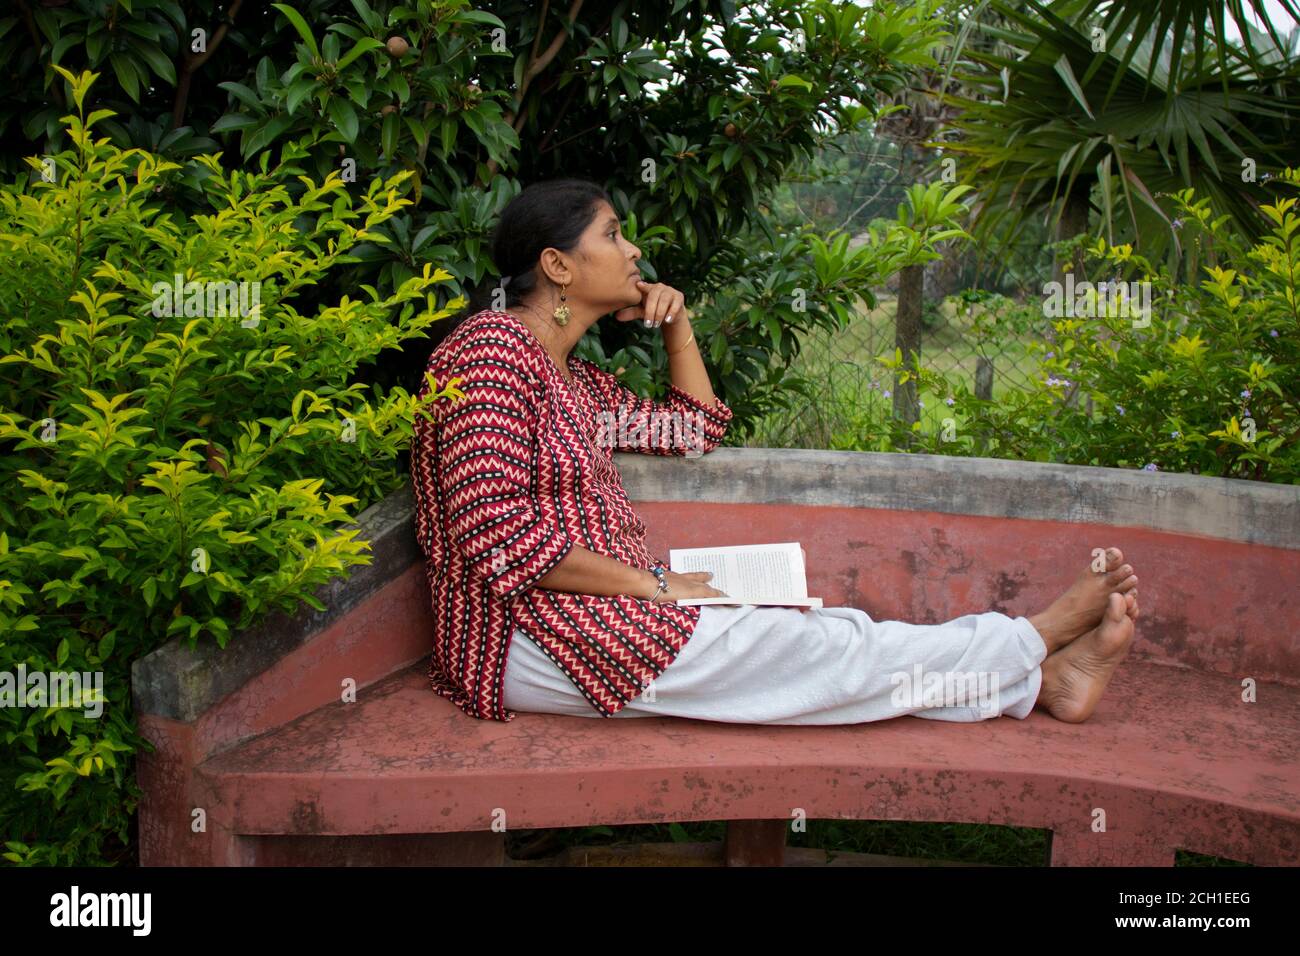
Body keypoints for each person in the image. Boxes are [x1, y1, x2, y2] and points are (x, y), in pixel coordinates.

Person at [408, 178, 1140, 727]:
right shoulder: (492, 352)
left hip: (596, 609)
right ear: (558, 267)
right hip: (528, 635)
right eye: (611, 235)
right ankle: (1032, 643)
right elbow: (496, 539)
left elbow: (693, 427)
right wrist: (652, 588)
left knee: (821, 637)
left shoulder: (570, 377)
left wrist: (677, 325)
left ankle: (1039, 682)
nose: (634, 251)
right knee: (807, 650)